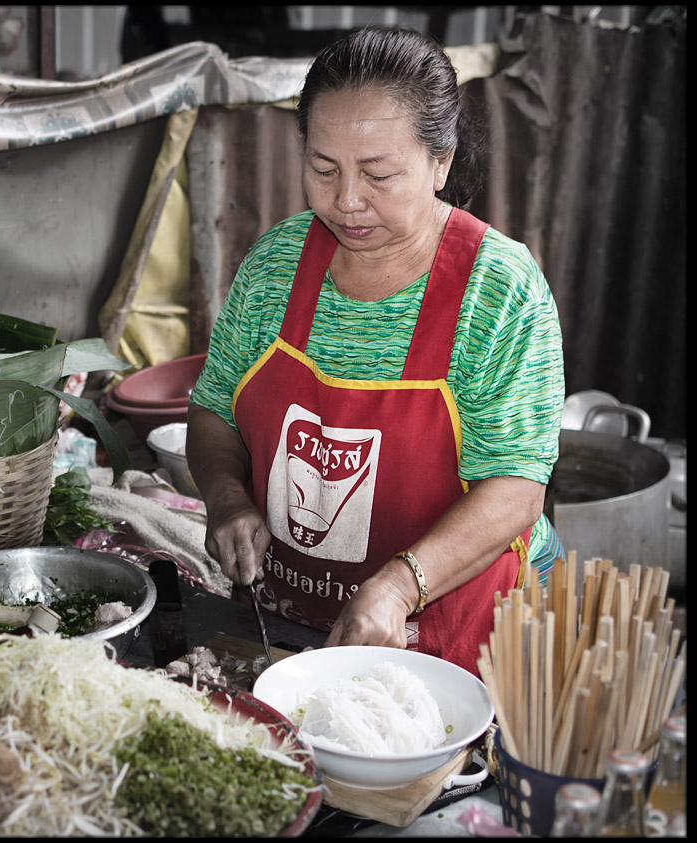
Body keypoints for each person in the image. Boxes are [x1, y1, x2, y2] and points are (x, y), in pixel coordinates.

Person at [186, 25, 565, 676]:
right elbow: (214, 411)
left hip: (457, 628)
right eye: (323, 168)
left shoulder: (499, 290)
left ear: (440, 162)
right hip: (283, 618)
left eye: (378, 174)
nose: (346, 200)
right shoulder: (275, 267)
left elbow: (517, 487)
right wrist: (225, 498)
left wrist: (399, 585)